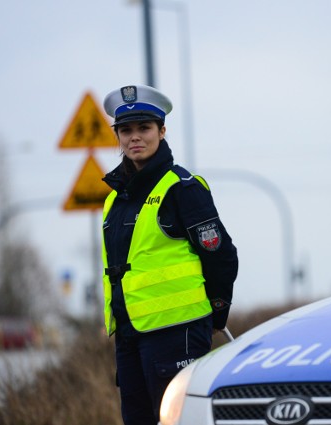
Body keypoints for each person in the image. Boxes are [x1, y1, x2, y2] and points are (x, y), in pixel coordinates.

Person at [101, 84, 238, 425]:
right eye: (126, 130)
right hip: (131, 334)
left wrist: (215, 313)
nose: (135, 137)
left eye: (144, 128)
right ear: (117, 136)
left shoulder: (182, 188)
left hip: (178, 333)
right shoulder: (114, 200)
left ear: (162, 131)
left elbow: (222, 257)